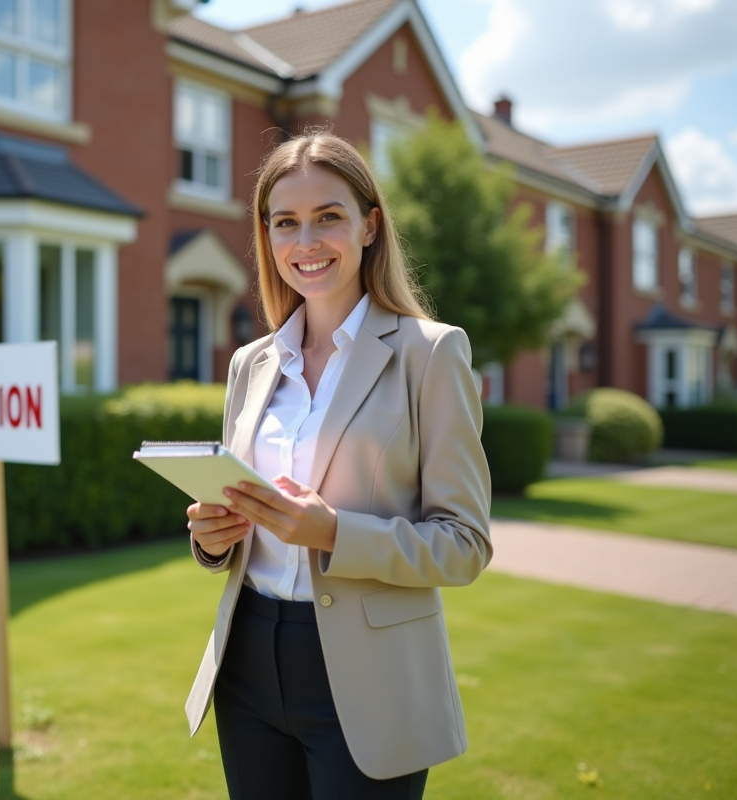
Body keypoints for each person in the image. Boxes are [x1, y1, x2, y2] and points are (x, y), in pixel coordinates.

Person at [184, 131, 492, 800]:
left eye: (328, 216)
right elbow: (240, 519)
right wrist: (211, 539)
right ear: (266, 237)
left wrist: (331, 533)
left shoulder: (430, 354)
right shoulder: (251, 363)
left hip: (372, 676)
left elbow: (465, 546)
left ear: (369, 225)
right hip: (248, 659)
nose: (306, 241)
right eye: (285, 222)